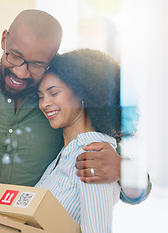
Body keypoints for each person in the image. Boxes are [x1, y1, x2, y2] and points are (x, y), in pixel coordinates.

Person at [0, 9, 150, 203]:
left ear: (51, 62)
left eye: (37, 65)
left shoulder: (60, 110)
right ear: (4, 40)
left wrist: (122, 169)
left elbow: (139, 190)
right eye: (15, 56)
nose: (21, 73)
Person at [35, 48, 127, 232]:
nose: (44, 104)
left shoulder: (94, 154)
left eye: (54, 93)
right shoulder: (66, 153)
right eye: (40, 96)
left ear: (82, 93)